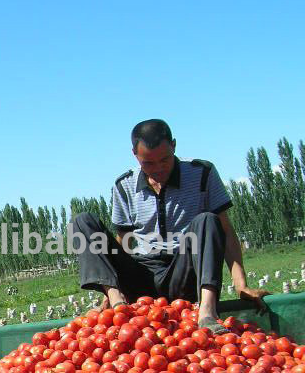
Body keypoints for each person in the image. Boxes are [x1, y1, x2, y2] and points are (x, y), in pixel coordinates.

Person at [71, 119, 269, 331]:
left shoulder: (202, 173)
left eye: (165, 160)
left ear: (174, 146)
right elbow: (125, 241)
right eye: (148, 163)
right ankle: (117, 302)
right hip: (142, 274)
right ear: (134, 155)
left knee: (207, 220)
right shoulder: (124, 184)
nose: (158, 169)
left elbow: (226, 232)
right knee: (82, 221)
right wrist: (111, 281)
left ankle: (207, 313)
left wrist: (241, 284)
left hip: (182, 271)